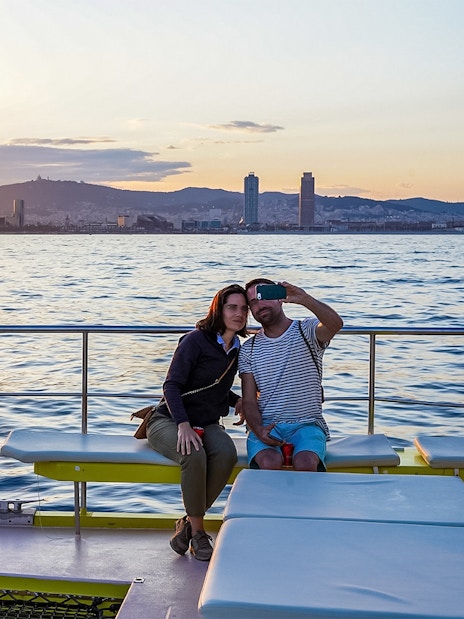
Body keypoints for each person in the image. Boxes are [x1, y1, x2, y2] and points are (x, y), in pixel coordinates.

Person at [146, 284, 248, 561]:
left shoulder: (238, 348)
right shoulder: (195, 340)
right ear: (219, 309)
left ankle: (187, 524)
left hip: (207, 421)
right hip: (168, 420)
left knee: (227, 454)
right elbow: (172, 386)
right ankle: (199, 534)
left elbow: (212, 388)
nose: (239, 314)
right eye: (232, 307)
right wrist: (183, 424)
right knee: (193, 453)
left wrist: (236, 400)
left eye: (243, 308)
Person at [238, 278, 343, 472]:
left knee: (306, 463)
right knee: (269, 463)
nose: (260, 305)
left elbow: (335, 324)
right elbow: (249, 401)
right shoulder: (249, 350)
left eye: (264, 297)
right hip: (268, 425)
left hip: (307, 425)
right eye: (253, 302)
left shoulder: (307, 331)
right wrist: (259, 430)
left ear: (279, 299)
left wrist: (304, 298)